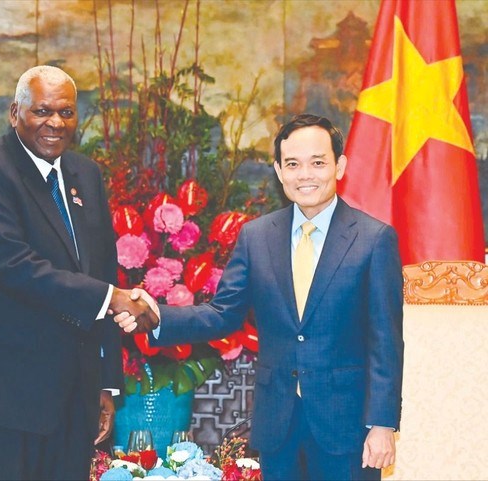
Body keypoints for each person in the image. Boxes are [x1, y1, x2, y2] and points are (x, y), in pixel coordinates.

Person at [114, 114, 404, 480]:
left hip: (346, 428)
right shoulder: (257, 236)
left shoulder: (374, 239)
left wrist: (382, 424)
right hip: (277, 424)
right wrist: (157, 315)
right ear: (279, 171)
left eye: (318, 163)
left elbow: (385, 340)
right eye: (293, 164)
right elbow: (223, 313)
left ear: (339, 166)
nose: (305, 175)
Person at [0, 65, 156, 480]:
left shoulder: (86, 174)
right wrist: (113, 298)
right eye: (42, 111)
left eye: (66, 112)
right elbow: (15, 265)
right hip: (6, 399)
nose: (55, 123)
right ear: (15, 113)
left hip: (74, 398)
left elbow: (102, 269)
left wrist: (105, 384)